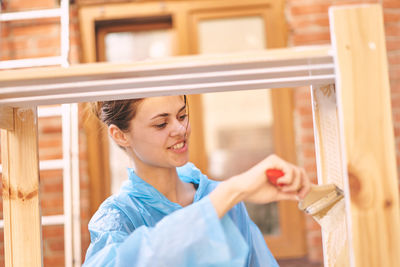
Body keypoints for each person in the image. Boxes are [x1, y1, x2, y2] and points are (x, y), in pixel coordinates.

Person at [83, 95, 311, 267]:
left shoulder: (221, 197)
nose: (180, 129)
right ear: (120, 135)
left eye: (182, 116)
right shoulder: (117, 218)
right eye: (161, 124)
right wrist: (230, 192)